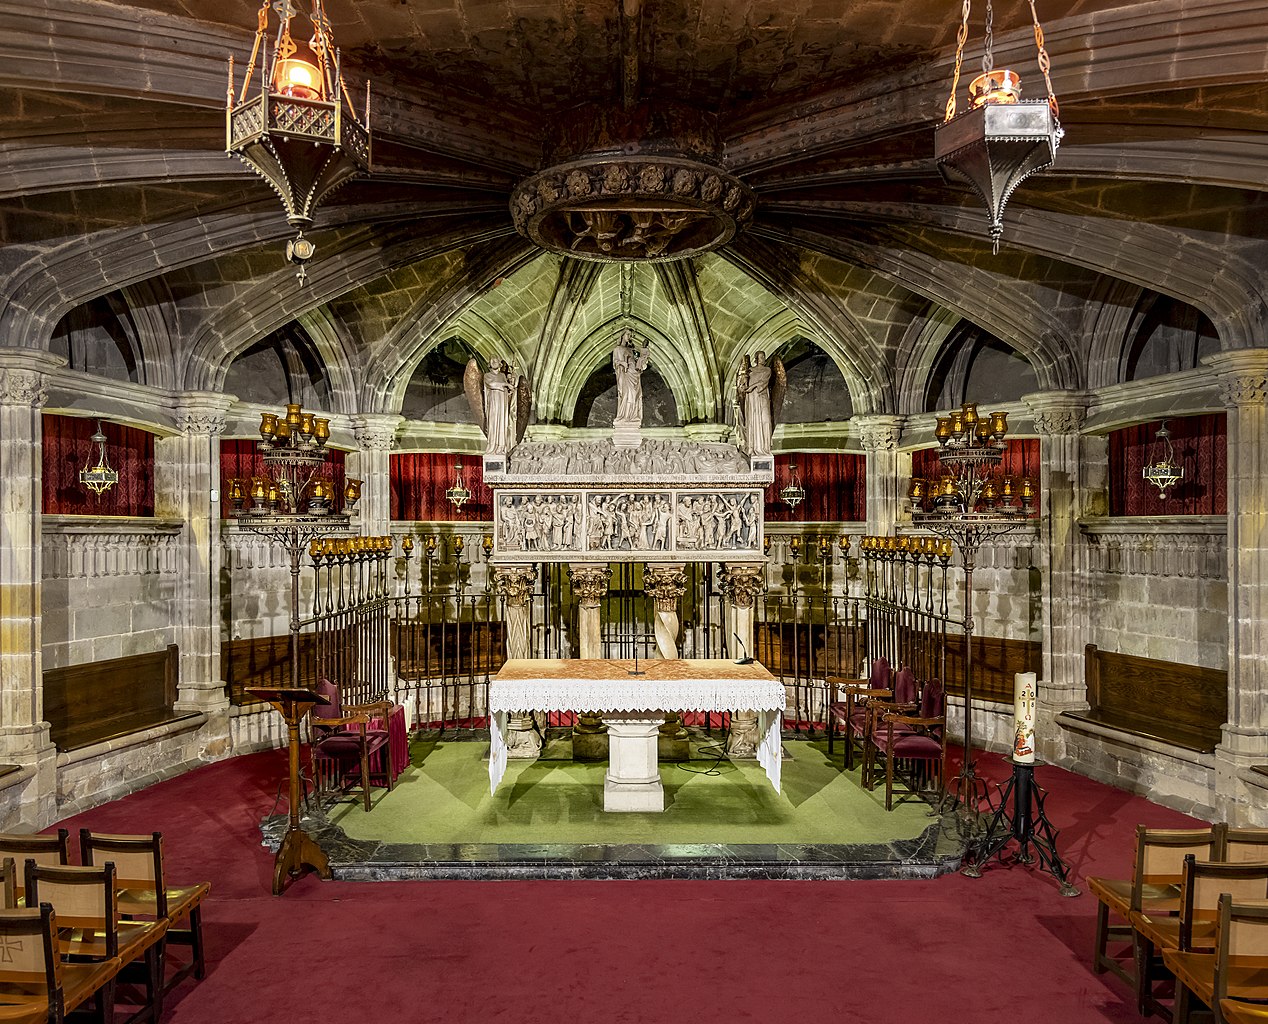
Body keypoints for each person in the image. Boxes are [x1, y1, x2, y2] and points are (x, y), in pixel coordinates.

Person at [737, 352, 774, 457]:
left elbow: (763, 382)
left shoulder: (767, 370)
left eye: (764, 357)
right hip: (752, 399)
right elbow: (743, 382)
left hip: (762, 397)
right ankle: (753, 447)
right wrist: (744, 386)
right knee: (753, 420)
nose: (763, 359)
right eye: (761, 357)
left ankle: (764, 448)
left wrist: (752, 386)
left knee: (765, 421)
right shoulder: (750, 371)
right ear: (756, 358)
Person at [612, 331, 651, 427]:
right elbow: (615, 362)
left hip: (634, 374)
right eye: (627, 334)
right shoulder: (618, 349)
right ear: (621, 336)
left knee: (635, 395)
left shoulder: (630, 349)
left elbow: (637, 362)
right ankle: (624, 416)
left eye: (630, 335)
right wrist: (622, 363)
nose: (629, 336)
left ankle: (633, 417)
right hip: (625, 374)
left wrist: (643, 352)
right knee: (628, 393)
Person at [483, 358, 516, 454]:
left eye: (495, 361)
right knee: (493, 424)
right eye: (492, 361)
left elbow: (508, 390)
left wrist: (511, 386)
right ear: (489, 364)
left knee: (502, 423)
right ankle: (492, 446)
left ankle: (501, 447)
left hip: (502, 403)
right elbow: (492, 384)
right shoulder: (487, 375)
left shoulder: (502, 376)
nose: (493, 362)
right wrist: (506, 384)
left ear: (500, 364)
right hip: (493, 403)